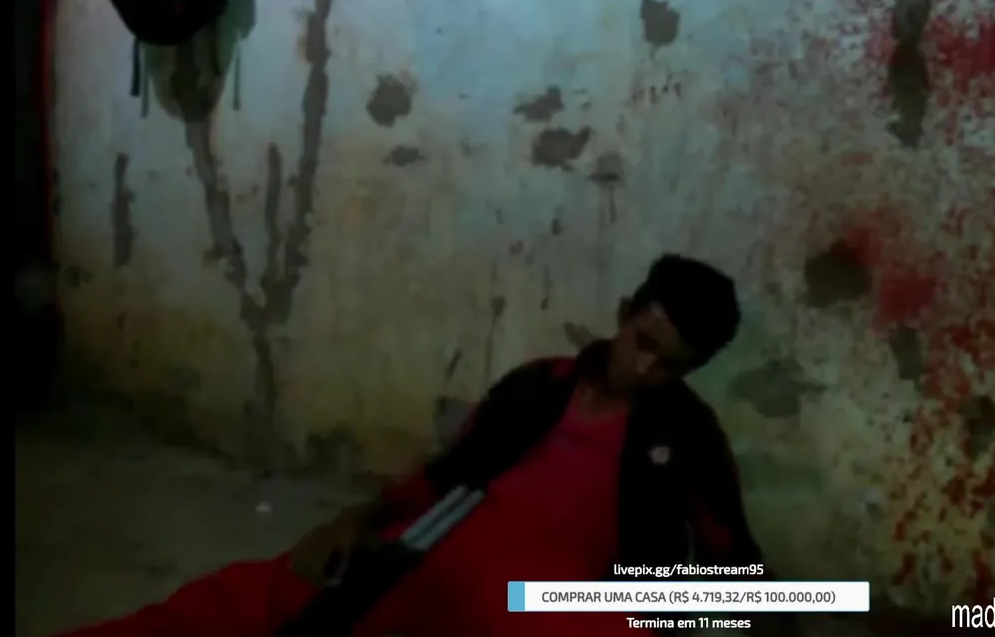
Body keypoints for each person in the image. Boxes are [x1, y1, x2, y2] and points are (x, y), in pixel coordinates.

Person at [60, 254, 793, 636]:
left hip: (546, 607)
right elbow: (441, 478)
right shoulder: (537, 386)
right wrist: (354, 519)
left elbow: (738, 580)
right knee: (256, 602)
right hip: (440, 556)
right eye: (643, 341)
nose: (645, 368)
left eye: (670, 365)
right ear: (625, 314)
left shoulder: (687, 436)